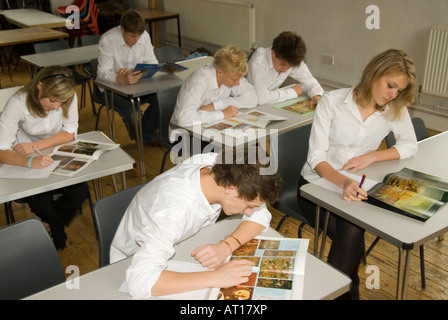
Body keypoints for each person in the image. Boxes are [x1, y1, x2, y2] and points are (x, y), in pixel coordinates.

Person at [296, 48, 418, 299]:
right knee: (352, 237)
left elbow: (409, 145)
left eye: (399, 90)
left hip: (357, 187)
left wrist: (372, 156)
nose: (393, 94)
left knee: (351, 234)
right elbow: (316, 157)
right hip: (315, 186)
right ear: (375, 73)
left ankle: (339, 292)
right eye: (390, 86)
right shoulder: (332, 102)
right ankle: (348, 290)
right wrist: (343, 182)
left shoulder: (394, 107)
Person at [110, 147, 282, 299]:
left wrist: (227, 246)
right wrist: (216, 277)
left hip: (180, 244)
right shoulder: (172, 211)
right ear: (230, 188)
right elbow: (140, 282)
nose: (250, 211)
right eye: (249, 205)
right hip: (131, 260)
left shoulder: (220, 166)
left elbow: (261, 215)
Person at [0, 65, 90, 250]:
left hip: (54, 152)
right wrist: (30, 160)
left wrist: (35, 146)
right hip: (22, 159)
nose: (56, 106)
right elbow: (1, 150)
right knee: (43, 205)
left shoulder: (67, 95)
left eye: (61, 102)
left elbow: (70, 133)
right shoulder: (18, 103)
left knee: (80, 192)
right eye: (52, 100)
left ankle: (48, 226)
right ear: (39, 86)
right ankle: (58, 240)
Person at [97, 9, 159, 145]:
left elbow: (153, 62)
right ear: (122, 29)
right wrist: (120, 78)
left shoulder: (144, 36)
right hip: (112, 88)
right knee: (133, 113)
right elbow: (101, 73)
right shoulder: (108, 40)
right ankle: (143, 136)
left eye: (138, 36)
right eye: (132, 36)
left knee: (161, 99)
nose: (136, 40)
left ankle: (145, 134)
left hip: (137, 84)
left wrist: (133, 71)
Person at [170, 45, 258, 128]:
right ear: (220, 72)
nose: (238, 83)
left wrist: (215, 106)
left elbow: (252, 98)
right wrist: (222, 114)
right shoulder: (200, 81)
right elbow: (184, 119)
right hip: (185, 132)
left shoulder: (231, 72)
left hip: (209, 126)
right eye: (234, 80)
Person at [247, 31, 323, 108]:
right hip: (248, 105)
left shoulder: (291, 59)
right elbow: (261, 98)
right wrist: (293, 92)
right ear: (273, 53)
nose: (285, 70)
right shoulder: (259, 60)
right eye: (283, 64)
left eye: (290, 67)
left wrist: (316, 95)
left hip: (270, 105)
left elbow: (309, 81)